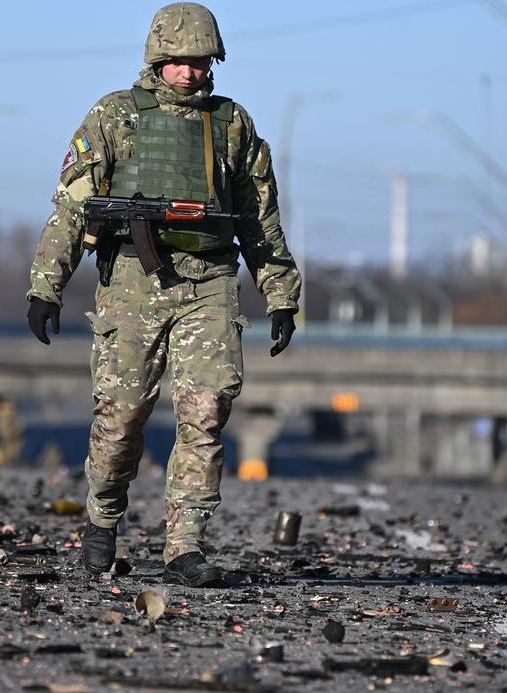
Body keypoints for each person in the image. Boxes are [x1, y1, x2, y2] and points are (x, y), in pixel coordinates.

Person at [25, 2, 301, 587]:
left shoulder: (232, 125)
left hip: (210, 281)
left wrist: (279, 292)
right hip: (132, 281)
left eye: (199, 61)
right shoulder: (114, 116)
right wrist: (47, 285)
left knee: (206, 412)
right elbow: (73, 207)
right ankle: (102, 516)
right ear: (157, 59)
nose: (189, 72)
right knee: (122, 417)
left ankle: (185, 544)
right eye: (177, 61)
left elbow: (259, 219)